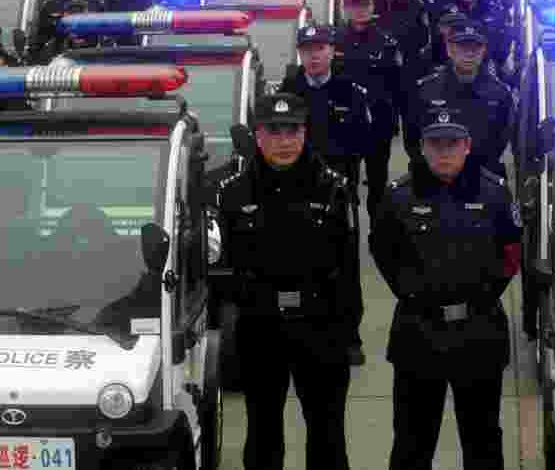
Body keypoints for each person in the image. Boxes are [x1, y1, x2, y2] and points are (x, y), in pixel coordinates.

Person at [371, 106, 520, 470]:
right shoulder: (399, 196)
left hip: (479, 332)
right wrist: (412, 293)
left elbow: (512, 252)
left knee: (482, 440)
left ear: (467, 146)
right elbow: (383, 251)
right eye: (436, 144)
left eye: (452, 143)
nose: (444, 152)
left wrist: (483, 294)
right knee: (412, 441)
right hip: (419, 334)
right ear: (422, 147)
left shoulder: (495, 194)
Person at [214, 93, 354, 470]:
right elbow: (222, 269)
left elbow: (348, 267)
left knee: (327, 433)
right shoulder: (232, 193)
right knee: (262, 434)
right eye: (274, 131)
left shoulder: (332, 188)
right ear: (258, 136)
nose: (284, 140)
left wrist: (348, 334)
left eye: (291, 130)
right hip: (261, 330)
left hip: (320, 325)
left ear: (304, 133)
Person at [280, 26, 372, 366]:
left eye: (320, 48)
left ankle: (349, 337)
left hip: (337, 194)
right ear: (300, 55)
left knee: (344, 267)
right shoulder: (288, 94)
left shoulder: (350, 92)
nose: (314, 55)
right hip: (293, 192)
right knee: (293, 265)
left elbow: (366, 142)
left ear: (332, 51)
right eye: (307, 49)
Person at [405, 20, 516, 180]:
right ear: (449, 49)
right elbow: (412, 139)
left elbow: (501, 141)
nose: (469, 53)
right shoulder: (425, 90)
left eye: (475, 47)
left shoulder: (500, 93)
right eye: (463, 47)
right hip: (434, 175)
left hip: (481, 176)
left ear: (484, 50)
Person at [331, 0, 401, 221]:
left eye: (364, 3)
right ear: (344, 7)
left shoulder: (387, 41)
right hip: (344, 125)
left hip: (377, 124)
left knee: (378, 186)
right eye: (354, 4)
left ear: (372, 5)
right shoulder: (333, 41)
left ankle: (378, 234)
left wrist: (393, 122)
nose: (359, 9)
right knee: (343, 185)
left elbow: (396, 86)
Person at [32, 0, 109, 63]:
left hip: (91, 58)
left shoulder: (96, 5)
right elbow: (40, 40)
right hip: (60, 60)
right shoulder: (50, 6)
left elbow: (105, 36)